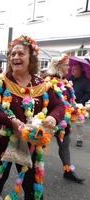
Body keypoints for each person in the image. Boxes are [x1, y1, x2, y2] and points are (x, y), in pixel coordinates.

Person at [0, 35, 65, 200]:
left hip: (30, 142)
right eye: (12, 54)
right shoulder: (1, 81)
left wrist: (53, 118)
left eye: (21, 53)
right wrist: (10, 120)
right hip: (0, 140)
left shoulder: (41, 84)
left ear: (31, 58)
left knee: (31, 185)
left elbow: (59, 106)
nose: (15, 57)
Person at [46, 54, 86, 183]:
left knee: (65, 145)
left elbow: (68, 101)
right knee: (39, 147)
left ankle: (68, 170)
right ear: (58, 67)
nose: (69, 68)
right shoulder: (49, 82)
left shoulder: (66, 82)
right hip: (50, 121)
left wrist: (75, 108)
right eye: (66, 65)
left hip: (64, 121)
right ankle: (31, 172)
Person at [68, 62, 90, 147]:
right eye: (72, 69)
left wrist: (80, 102)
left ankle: (79, 139)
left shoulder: (86, 81)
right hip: (69, 104)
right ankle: (67, 136)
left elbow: (88, 93)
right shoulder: (70, 79)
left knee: (80, 123)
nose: (72, 71)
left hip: (80, 105)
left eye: (75, 69)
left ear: (80, 70)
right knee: (67, 121)